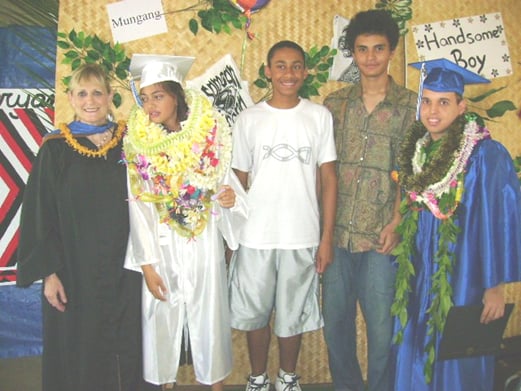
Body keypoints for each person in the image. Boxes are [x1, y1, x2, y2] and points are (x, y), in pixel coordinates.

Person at [391, 58, 521, 391]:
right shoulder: (419, 150)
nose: (433, 111)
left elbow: (500, 218)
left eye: (444, 102)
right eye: (427, 101)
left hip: (464, 272)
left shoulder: (484, 154)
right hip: (420, 268)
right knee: (416, 339)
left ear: (461, 106)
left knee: (454, 353)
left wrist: (494, 286)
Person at [16, 63, 145, 391]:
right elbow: (39, 213)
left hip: (127, 268)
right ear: (71, 98)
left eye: (98, 92)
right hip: (74, 270)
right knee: (80, 349)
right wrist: (49, 273)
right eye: (83, 93)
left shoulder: (130, 144)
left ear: (111, 97)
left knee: (130, 344)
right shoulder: (56, 148)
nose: (91, 100)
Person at [123, 54, 248, 391]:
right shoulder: (138, 145)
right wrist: (147, 264)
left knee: (208, 314)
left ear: (176, 96)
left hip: (203, 237)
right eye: (145, 97)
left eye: (158, 96)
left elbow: (226, 187)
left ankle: (216, 385)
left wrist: (229, 201)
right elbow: (138, 207)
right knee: (162, 317)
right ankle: (165, 385)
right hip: (161, 242)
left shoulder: (207, 136)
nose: (150, 105)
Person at [229, 40, 338, 391]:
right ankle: (258, 378)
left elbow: (329, 178)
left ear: (305, 72)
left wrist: (325, 238)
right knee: (254, 314)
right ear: (267, 71)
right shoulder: (248, 119)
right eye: (280, 66)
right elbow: (239, 181)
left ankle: (287, 378)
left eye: (295, 66)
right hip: (254, 235)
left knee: (293, 316)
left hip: (302, 235)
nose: (288, 73)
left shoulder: (319, 116)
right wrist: (231, 236)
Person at [321, 9, 417, 391]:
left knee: (382, 332)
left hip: (382, 237)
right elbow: (323, 171)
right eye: (362, 49)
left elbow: (411, 172)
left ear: (391, 50)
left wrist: (397, 222)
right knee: (336, 327)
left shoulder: (412, 106)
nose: (371, 57)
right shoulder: (334, 104)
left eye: (379, 48)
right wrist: (322, 232)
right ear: (353, 54)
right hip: (337, 236)